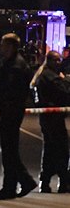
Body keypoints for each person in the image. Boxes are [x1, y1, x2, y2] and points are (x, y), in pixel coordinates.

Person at [0, 33, 37, 199]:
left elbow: (10, 90)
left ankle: (19, 182)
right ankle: (15, 184)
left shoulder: (15, 67)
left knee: (8, 149)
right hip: (12, 109)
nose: (1, 47)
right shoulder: (14, 63)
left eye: (3, 44)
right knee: (10, 149)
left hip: (11, 110)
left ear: (10, 46)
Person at [30, 50, 70, 193]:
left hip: (47, 117)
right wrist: (64, 80)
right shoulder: (50, 76)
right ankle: (62, 181)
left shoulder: (40, 75)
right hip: (53, 116)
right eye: (57, 60)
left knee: (50, 149)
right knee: (61, 149)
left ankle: (46, 181)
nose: (59, 63)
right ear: (50, 60)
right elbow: (64, 92)